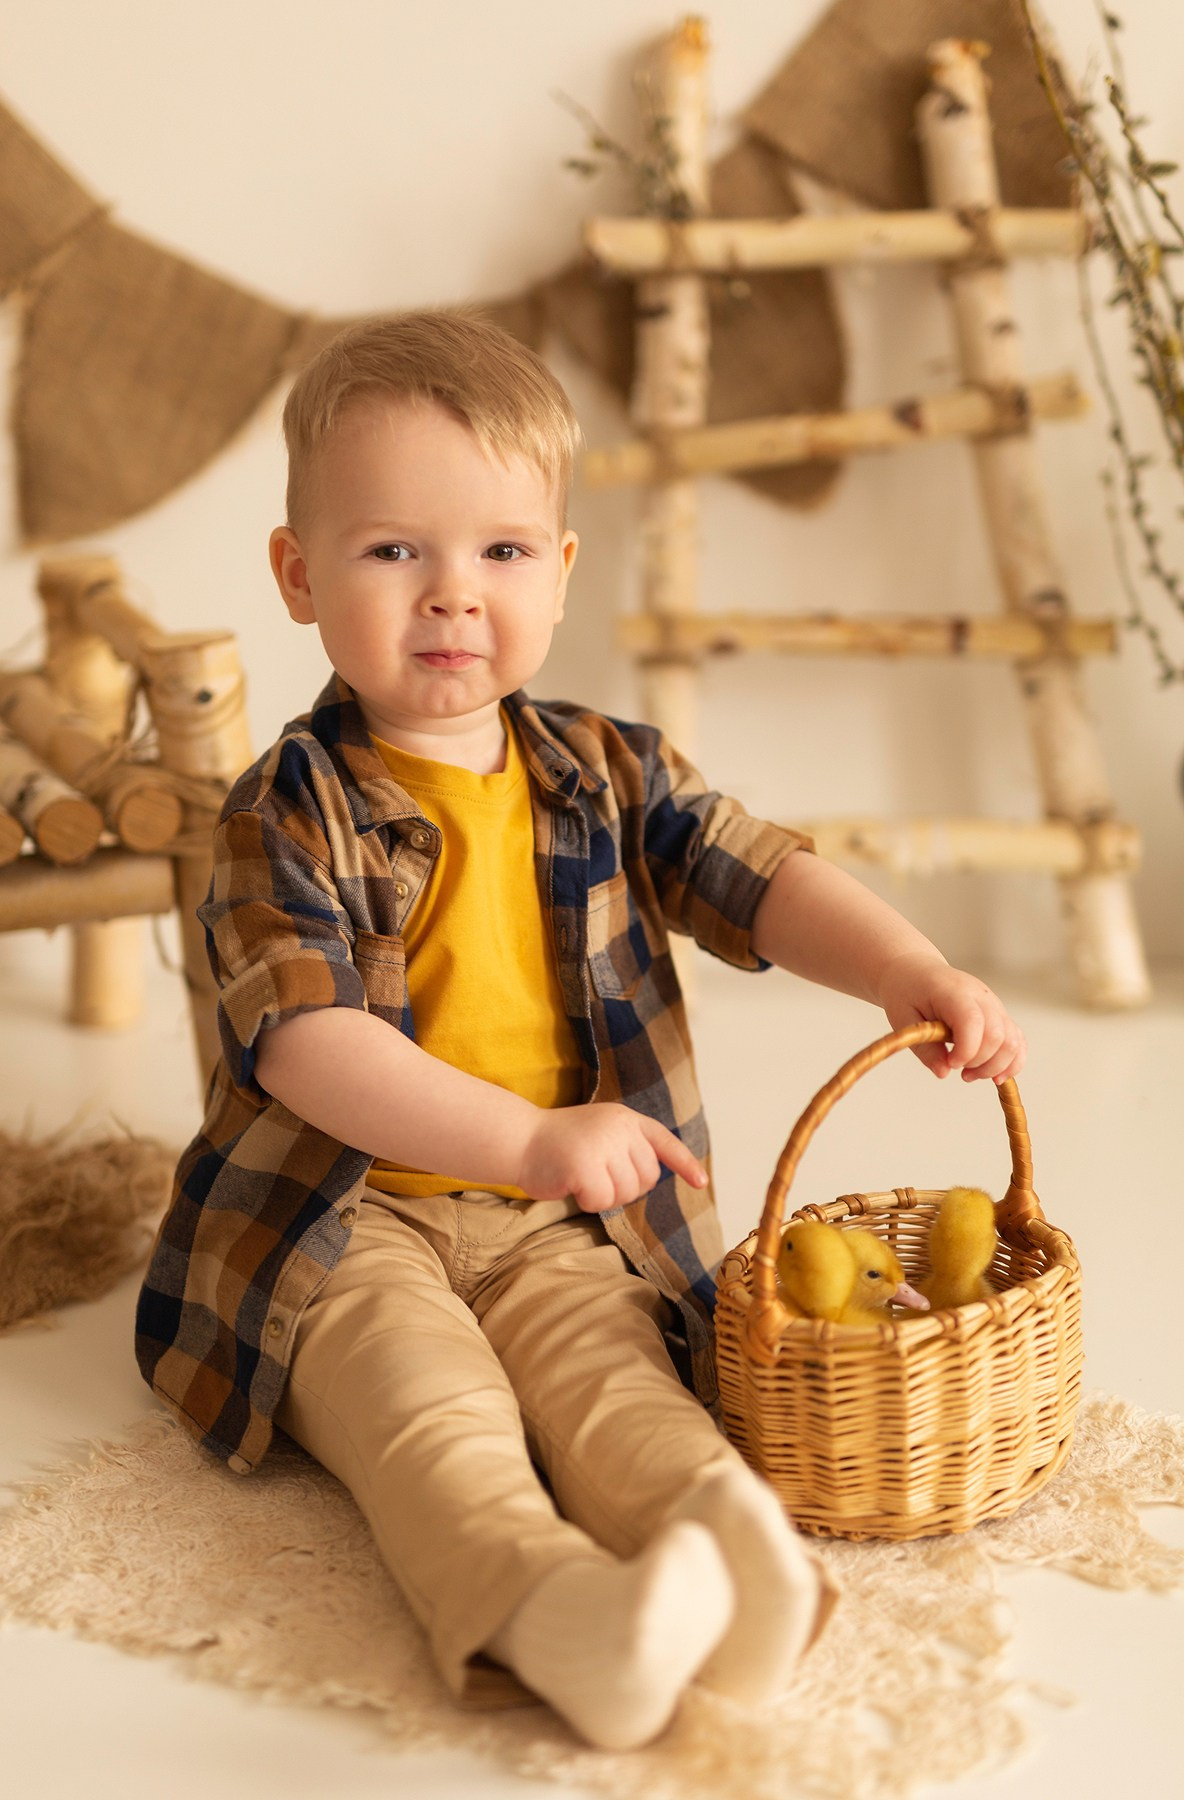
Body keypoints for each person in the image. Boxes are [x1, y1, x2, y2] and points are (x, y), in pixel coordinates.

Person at [135, 309, 1026, 1751]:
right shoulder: (280, 812)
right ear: (300, 577)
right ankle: (564, 1620)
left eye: (496, 552)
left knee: (619, 1391)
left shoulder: (607, 770)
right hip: (343, 1224)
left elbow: (762, 873)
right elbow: (309, 1048)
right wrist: (536, 1138)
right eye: (390, 552)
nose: (448, 597)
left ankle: (735, 1555)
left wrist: (905, 966)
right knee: (434, 1421)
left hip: (564, 1226)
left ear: (557, 573)